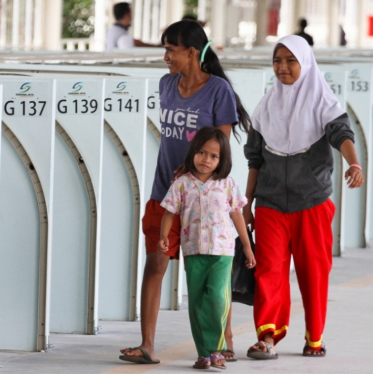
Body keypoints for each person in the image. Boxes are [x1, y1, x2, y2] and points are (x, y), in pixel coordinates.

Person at [119, 19, 251, 365]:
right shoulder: (166, 84)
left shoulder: (218, 90)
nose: (165, 56)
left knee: (211, 277)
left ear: (191, 52)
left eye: (170, 49)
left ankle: (225, 339)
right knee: (155, 263)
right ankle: (147, 345)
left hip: (205, 201)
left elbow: (219, 147)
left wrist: (194, 166)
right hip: (165, 192)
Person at [244, 35, 363, 360]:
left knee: (313, 272)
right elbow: (255, 159)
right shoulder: (265, 106)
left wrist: (353, 162)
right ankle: (266, 337)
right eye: (277, 61)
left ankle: (314, 337)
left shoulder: (323, 102)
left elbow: (342, 135)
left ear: (305, 63)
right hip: (270, 204)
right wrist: (247, 202)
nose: (282, 67)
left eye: (290, 61)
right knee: (268, 271)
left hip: (312, 203)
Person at [159, 127, 255, 369]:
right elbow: (169, 211)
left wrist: (247, 245)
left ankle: (217, 348)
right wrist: (163, 237)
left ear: (222, 160)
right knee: (197, 302)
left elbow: (237, 214)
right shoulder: (181, 184)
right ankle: (204, 353)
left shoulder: (227, 184)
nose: (207, 159)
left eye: (214, 156)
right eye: (202, 152)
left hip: (222, 252)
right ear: (193, 152)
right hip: (193, 252)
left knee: (217, 300)